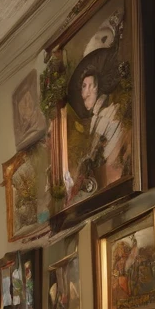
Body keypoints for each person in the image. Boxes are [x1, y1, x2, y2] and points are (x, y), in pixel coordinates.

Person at [65, 45, 130, 199]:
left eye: (91, 86)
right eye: (83, 87)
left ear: (98, 88)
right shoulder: (96, 117)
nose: (86, 93)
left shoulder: (110, 113)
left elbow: (107, 158)